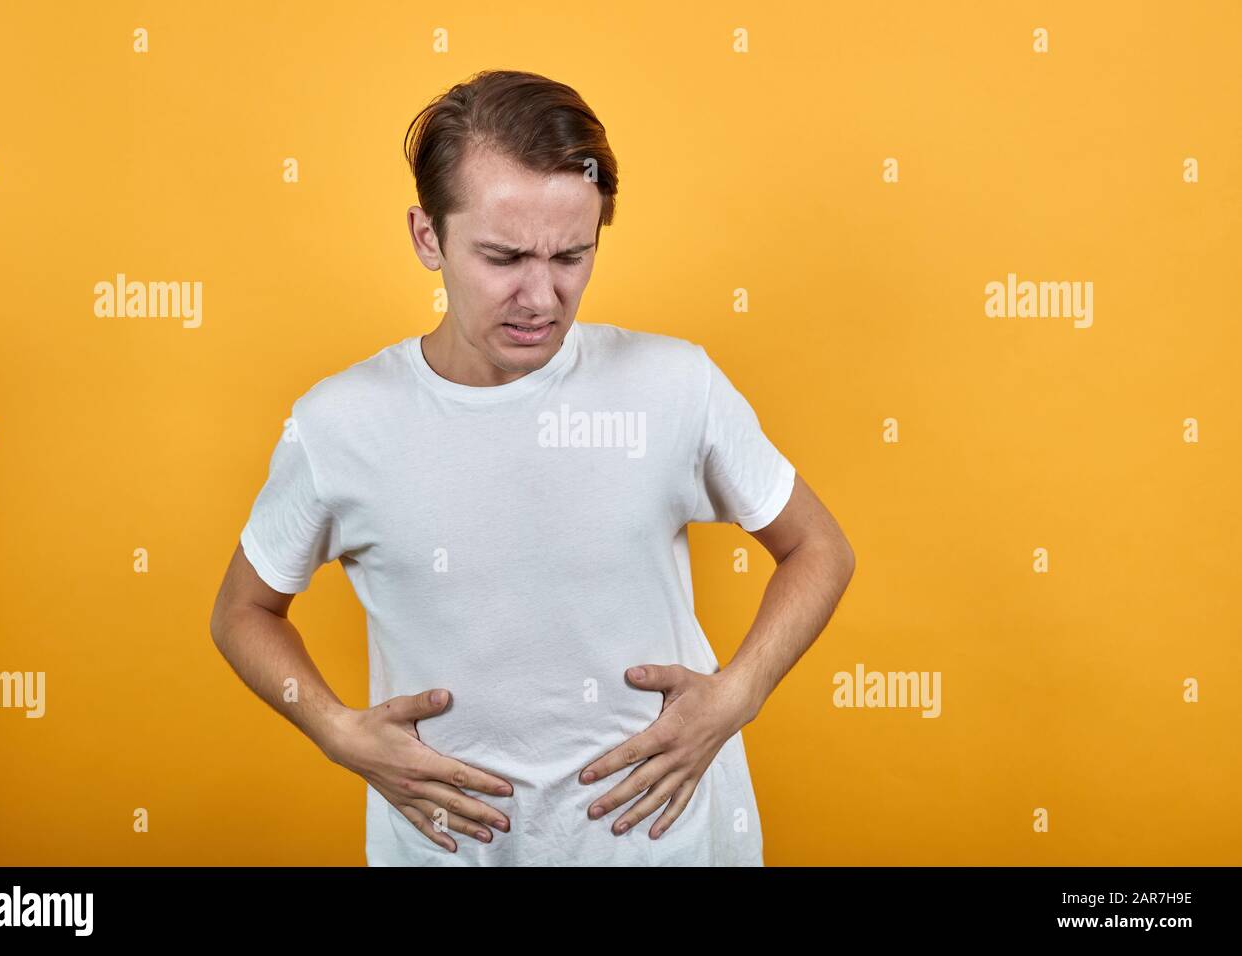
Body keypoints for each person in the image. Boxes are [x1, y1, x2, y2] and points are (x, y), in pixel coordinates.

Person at [209, 69, 855, 866]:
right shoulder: (339, 423)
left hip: (665, 845)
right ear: (427, 237)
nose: (541, 296)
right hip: (447, 851)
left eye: (572, 256)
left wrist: (738, 695)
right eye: (504, 256)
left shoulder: (675, 385)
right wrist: (336, 730)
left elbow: (820, 549)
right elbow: (242, 612)